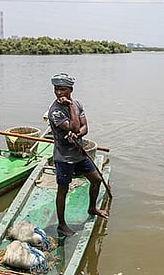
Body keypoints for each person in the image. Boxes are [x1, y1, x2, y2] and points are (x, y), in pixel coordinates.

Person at [47, 73, 108, 237]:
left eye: (62, 89)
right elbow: (74, 127)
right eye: (56, 89)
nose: (59, 93)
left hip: (79, 153)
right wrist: (75, 128)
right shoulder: (55, 111)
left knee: (96, 180)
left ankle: (92, 208)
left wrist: (78, 134)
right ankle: (61, 225)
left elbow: (84, 127)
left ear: (70, 90)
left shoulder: (78, 103)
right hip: (64, 157)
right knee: (63, 190)